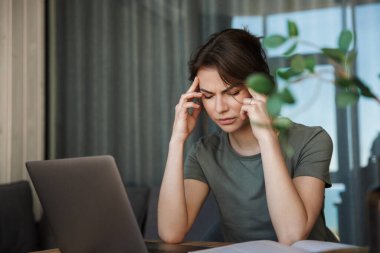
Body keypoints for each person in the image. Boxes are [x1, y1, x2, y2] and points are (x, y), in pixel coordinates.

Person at [157, 28, 335, 245]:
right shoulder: (205, 153)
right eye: (208, 96)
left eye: (232, 93)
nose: (220, 108)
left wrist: (267, 138)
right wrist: (177, 140)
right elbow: (170, 233)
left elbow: (291, 236)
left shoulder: (312, 140)